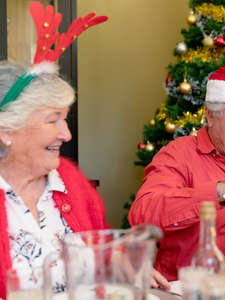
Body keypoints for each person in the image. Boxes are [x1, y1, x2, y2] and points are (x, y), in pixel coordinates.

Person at [0, 2, 169, 298]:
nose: (66, 134)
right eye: (53, 120)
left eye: (65, 118)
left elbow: (101, 251)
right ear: (6, 132)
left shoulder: (68, 179)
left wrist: (119, 264)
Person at [129, 63, 225, 281]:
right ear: (210, 116)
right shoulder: (178, 155)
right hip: (186, 292)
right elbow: (142, 215)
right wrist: (222, 190)